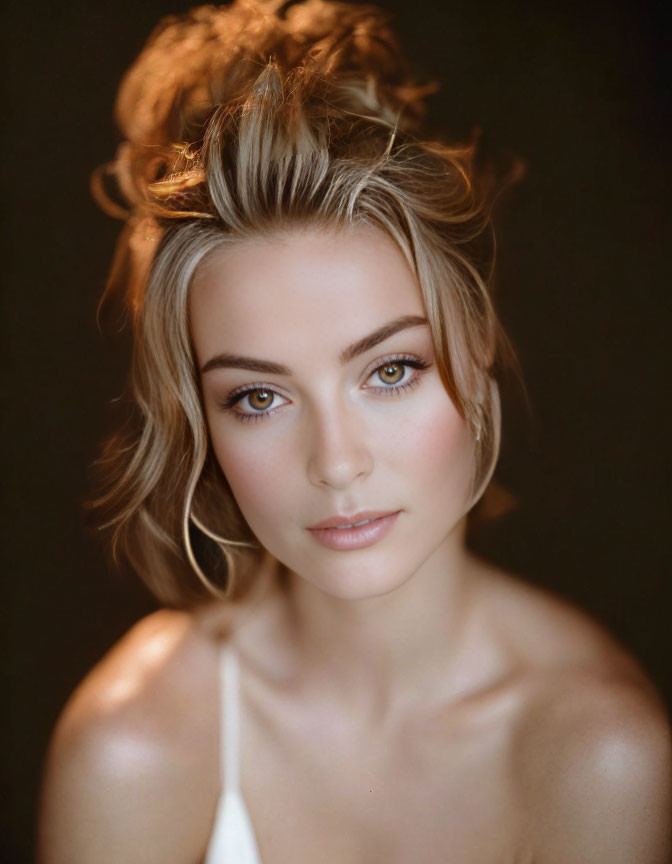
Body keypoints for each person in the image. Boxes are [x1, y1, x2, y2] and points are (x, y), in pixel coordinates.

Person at [37, 1, 671, 861]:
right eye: (258, 398)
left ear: (475, 344)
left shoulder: (599, 759)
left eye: (391, 370)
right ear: (200, 418)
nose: (336, 464)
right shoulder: (134, 752)